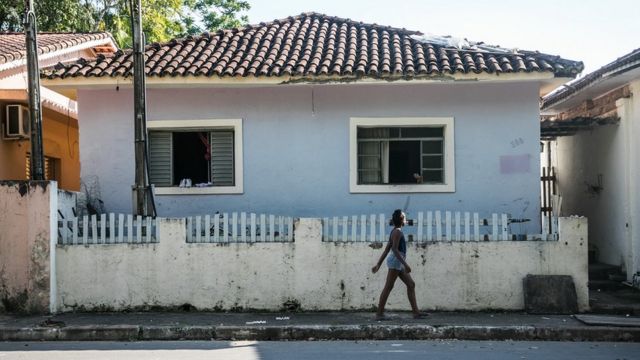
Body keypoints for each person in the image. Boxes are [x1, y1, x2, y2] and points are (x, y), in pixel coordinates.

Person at [372, 209, 426, 320]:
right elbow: (395, 250)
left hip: (397, 261)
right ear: (402, 220)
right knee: (388, 287)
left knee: (411, 284)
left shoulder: (394, 231)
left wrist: (378, 264)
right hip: (397, 261)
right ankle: (379, 314)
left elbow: (387, 250)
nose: (406, 220)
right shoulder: (398, 232)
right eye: (405, 218)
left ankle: (416, 313)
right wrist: (405, 265)